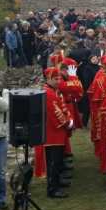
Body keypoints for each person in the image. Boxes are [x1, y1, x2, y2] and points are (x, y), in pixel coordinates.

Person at [34, 67, 73, 198]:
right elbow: (56, 114)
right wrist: (68, 122)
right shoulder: (48, 94)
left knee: (56, 160)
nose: (58, 81)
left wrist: (68, 117)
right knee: (53, 161)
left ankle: (56, 182)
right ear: (49, 79)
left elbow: (62, 108)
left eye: (59, 78)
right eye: (56, 79)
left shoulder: (52, 91)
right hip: (52, 134)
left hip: (55, 132)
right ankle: (52, 188)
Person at [0, 88, 10, 210]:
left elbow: (6, 107)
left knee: (1, 172)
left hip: (1, 138)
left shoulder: (3, 92)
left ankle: (1, 199)